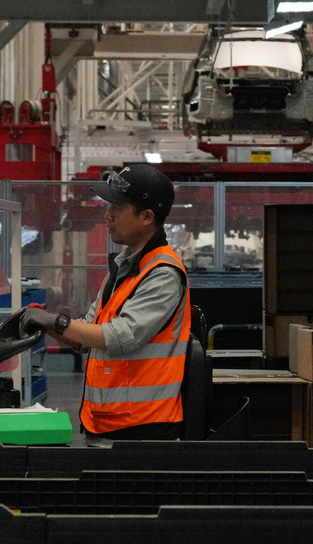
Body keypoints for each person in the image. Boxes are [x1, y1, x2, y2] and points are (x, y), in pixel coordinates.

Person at [21, 164, 190, 443]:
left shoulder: (162, 274)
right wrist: (42, 321)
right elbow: (89, 334)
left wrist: (55, 321)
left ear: (147, 217)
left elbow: (118, 337)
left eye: (118, 208)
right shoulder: (124, 268)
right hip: (109, 421)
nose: (107, 215)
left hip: (141, 430)